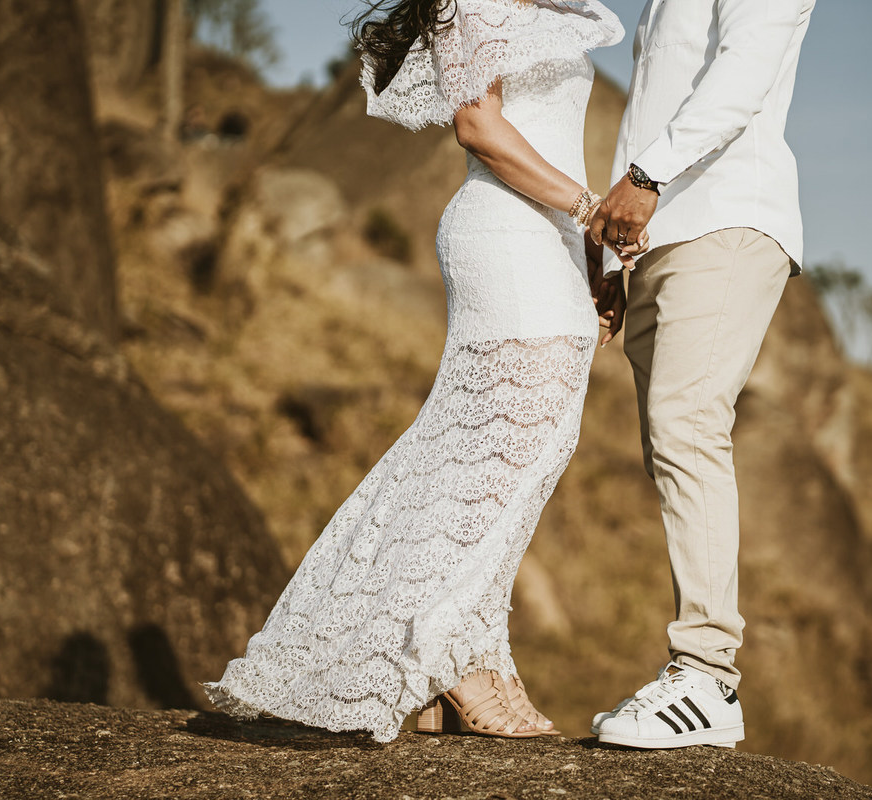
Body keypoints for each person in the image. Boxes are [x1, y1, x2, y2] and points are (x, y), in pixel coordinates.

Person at [203, 0, 626, 743]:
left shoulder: (559, 13)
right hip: (502, 233)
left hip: (553, 240)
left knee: (522, 449)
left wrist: (595, 259)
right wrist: (591, 210)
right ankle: (449, 652)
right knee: (494, 453)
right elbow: (479, 126)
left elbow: (559, 143)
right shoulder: (472, 3)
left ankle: (434, 663)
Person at [587, 0, 818, 749]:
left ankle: (709, 674)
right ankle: (697, 674)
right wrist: (618, 254)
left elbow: (743, 70)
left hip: (724, 217)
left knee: (688, 428)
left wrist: (646, 176)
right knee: (670, 447)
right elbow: (655, 100)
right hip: (656, 239)